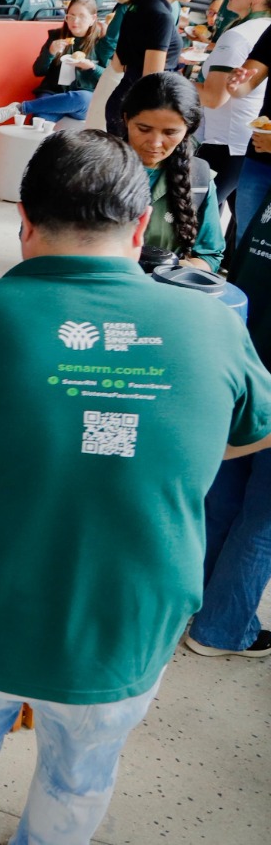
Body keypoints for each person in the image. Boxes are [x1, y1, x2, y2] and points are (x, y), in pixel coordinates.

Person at [0, 129, 271, 845]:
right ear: (140, 225)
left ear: (23, 218)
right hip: (126, 628)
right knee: (75, 795)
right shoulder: (213, 324)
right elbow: (254, 430)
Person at [194, 197, 271, 659]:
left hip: (243, 362)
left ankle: (198, 601)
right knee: (263, 518)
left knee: (224, 492)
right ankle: (222, 629)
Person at [121, 72, 223, 271]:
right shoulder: (94, 168)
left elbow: (210, 255)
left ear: (189, 129)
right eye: (143, 129)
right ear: (126, 119)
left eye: (170, 132)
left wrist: (174, 269)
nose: (155, 142)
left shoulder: (199, 179)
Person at [197, 0, 271, 207]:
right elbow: (240, 88)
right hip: (243, 144)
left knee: (193, 220)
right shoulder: (261, 30)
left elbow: (214, 97)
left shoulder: (239, 35)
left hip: (224, 145)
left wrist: (170, 80)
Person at [105, 0, 199, 135]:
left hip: (123, 100)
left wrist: (175, 58)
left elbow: (123, 60)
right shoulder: (161, 16)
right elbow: (153, 79)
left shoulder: (137, 5)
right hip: (142, 111)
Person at [0, 0, 107, 125]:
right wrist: (50, 52)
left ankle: (21, 108)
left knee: (83, 98)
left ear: (93, 19)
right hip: (53, 93)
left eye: (81, 16)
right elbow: (38, 71)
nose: (75, 21)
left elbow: (109, 76)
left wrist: (92, 67)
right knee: (38, 121)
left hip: (83, 100)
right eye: (71, 16)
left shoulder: (102, 42)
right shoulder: (56, 36)